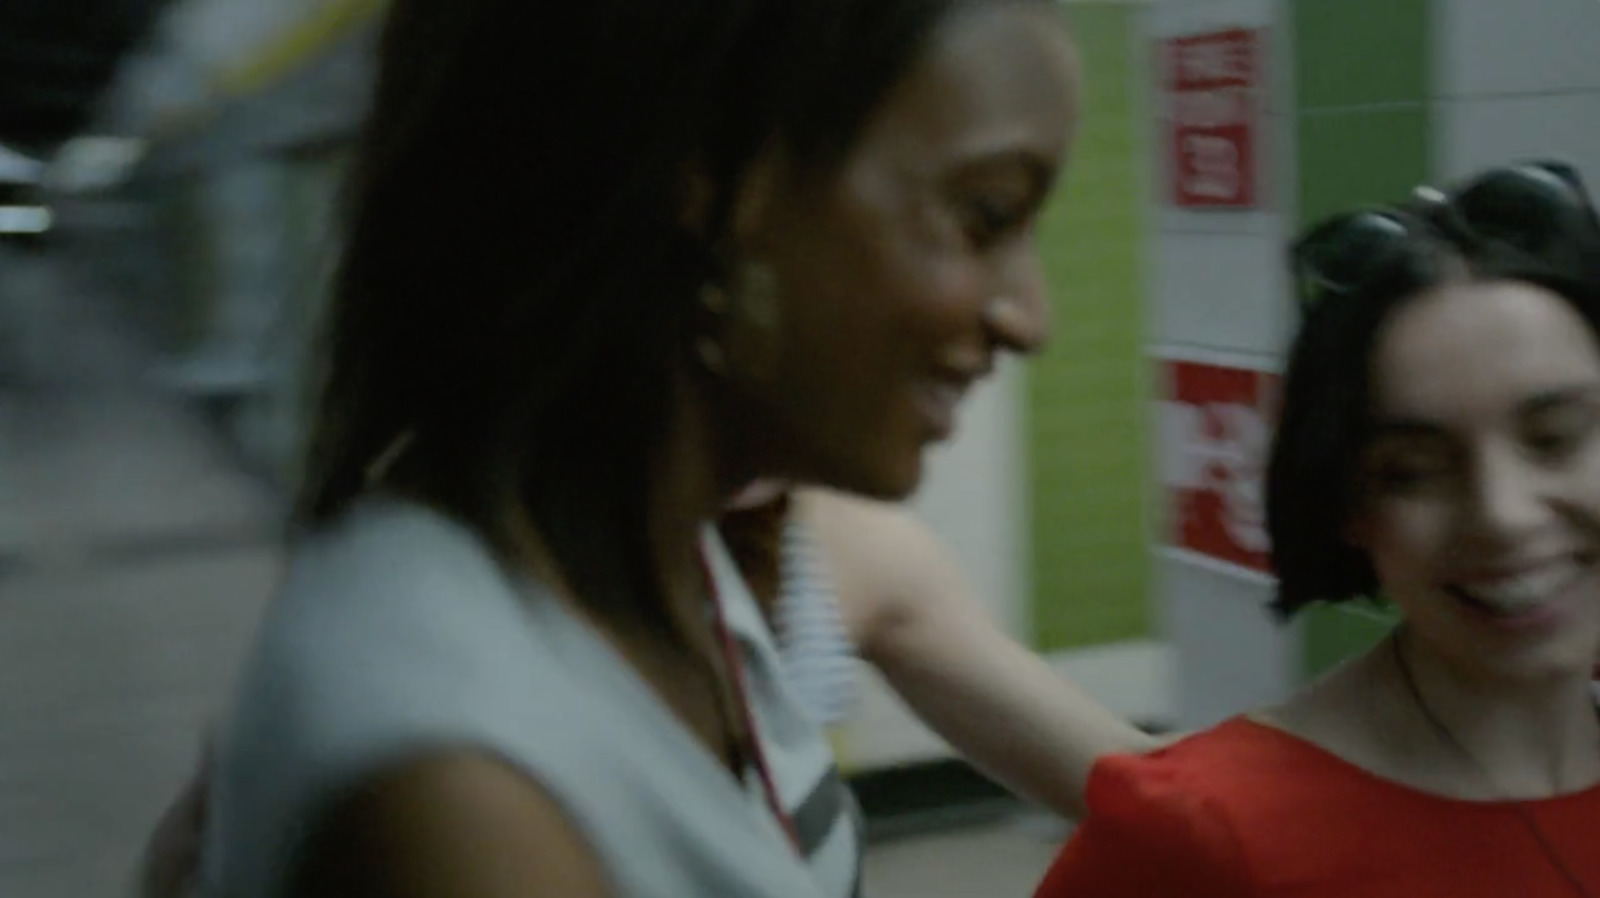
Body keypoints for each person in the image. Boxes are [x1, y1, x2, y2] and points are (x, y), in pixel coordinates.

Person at [192, 2, 1084, 897]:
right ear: (718, 179)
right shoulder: (465, 795)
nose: (1029, 317)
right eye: (985, 215)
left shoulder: (667, 565)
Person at [1034, 160, 1600, 897]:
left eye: (1554, 438)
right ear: (1350, 508)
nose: (1501, 513)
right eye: (1413, 471)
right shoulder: (1203, 834)